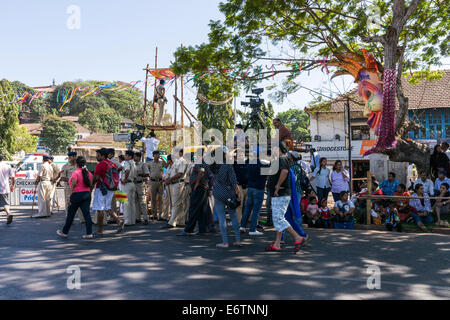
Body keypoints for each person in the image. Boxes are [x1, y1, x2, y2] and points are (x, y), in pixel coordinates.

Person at [265, 142, 306, 253]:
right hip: (279, 193)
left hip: (281, 193)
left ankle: (297, 237)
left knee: (278, 218)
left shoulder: (282, 158)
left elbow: (284, 171)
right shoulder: (279, 159)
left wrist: (277, 186)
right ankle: (277, 244)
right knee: (279, 218)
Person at [211, 150, 242, 248]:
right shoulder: (228, 165)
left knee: (221, 218)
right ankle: (238, 240)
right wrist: (238, 193)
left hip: (218, 193)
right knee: (233, 216)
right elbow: (233, 180)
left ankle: (225, 242)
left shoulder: (213, 167)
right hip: (229, 193)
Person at [57, 156, 94, 239]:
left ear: (77, 164)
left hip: (76, 195)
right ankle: (89, 233)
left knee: (71, 214)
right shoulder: (89, 173)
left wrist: (69, 196)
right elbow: (91, 184)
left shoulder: (76, 172)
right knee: (87, 215)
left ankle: (64, 232)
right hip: (86, 194)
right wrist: (89, 192)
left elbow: (73, 184)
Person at [91, 148, 124, 235]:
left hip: (101, 188)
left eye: (98, 155)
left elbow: (96, 178)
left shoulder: (100, 165)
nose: (96, 157)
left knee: (100, 209)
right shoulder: (112, 163)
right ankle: (119, 221)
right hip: (110, 188)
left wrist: (91, 187)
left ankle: (100, 230)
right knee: (107, 207)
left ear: (102, 156)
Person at [179, 153, 213, 236]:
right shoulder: (206, 164)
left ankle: (188, 230)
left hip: (199, 188)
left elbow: (201, 172)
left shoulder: (200, 163)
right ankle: (202, 229)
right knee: (201, 210)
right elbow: (211, 177)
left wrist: (197, 183)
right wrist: (209, 186)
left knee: (193, 209)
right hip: (203, 188)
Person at [239, 151, 267, 236]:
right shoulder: (262, 165)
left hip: (250, 187)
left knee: (247, 208)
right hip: (259, 188)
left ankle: (242, 226)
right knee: (256, 210)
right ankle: (252, 229)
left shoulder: (248, 164)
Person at [55, 152, 84, 223]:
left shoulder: (79, 165)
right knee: (69, 203)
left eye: (75, 156)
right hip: (69, 187)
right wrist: (72, 181)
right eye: (72, 156)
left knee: (80, 203)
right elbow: (62, 178)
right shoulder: (65, 166)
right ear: (69, 157)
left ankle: (82, 219)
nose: (74, 158)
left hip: (79, 187)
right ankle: (70, 219)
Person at [163, 151, 187, 229]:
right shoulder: (174, 164)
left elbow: (179, 174)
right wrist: (167, 180)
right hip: (172, 184)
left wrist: (169, 180)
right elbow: (169, 173)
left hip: (178, 183)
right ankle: (180, 221)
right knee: (178, 204)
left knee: (175, 203)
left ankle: (171, 222)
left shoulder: (182, 161)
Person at [148, 151, 166, 220]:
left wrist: (162, 158)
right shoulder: (150, 163)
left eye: (158, 154)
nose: (157, 156)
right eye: (155, 154)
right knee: (153, 198)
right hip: (153, 181)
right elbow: (147, 170)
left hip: (160, 181)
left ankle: (161, 214)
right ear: (153, 155)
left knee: (161, 199)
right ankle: (154, 214)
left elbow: (167, 166)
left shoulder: (161, 162)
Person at [133, 152, 150, 225]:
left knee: (143, 202)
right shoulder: (133, 164)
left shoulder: (143, 164)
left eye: (135, 156)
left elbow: (147, 174)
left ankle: (145, 218)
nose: (134, 158)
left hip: (140, 183)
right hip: (134, 183)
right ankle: (138, 218)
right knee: (136, 202)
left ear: (139, 157)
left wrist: (139, 174)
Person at [121, 150, 137, 226]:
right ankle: (132, 220)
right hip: (132, 183)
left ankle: (127, 221)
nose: (125, 156)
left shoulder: (127, 163)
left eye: (126, 155)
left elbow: (127, 171)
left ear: (130, 156)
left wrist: (124, 179)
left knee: (126, 203)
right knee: (132, 203)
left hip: (127, 184)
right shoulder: (134, 163)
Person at [233, 151, 248, 225]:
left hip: (248, 186)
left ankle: (250, 221)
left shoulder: (247, 163)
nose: (241, 156)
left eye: (242, 154)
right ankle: (239, 221)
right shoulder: (235, 164)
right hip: (239, 186)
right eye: (239, 155)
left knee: (249, 205)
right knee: (239, 205)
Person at [180, 153, 195, 225]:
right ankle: (185, 219)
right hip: (186, 185)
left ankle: (188, 220)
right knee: (185, 203)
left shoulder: (192, 165)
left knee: (188, 203)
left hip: (189, 185)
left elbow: (191, 176)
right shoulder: (188, 165)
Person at [0, 154, 14, 225]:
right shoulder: (7, 166)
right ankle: (8, 213)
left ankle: (8, 214)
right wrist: (12, 185)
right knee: (5, 203)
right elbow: (12, 177)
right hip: (5, 188)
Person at [107, 149, 121, 217]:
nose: (108, 155)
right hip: (109, 182)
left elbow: (121, 167)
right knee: (109, 200)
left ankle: (113, 217)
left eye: (109, 154)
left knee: (112, 201)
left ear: (112, 154)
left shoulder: (114, 161)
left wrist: (115, 172)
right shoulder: (108, 160)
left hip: (113, 182)